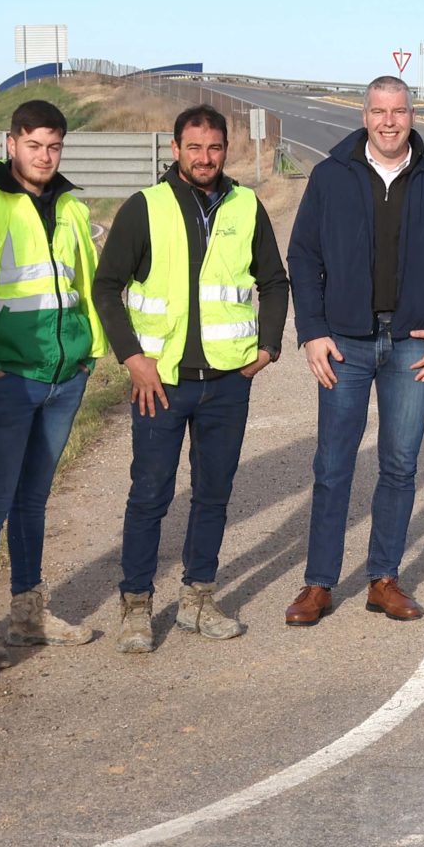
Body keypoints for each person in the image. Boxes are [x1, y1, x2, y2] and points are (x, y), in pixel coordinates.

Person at [93, 104, 291, 653]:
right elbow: (107, 287)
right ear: (175, 149)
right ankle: (136, 605)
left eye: (215, 148)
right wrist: (133, 358)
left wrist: (269, 346)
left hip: (228, 381)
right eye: (194, 147)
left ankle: (198, 598)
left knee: (214, 493)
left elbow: (275, 281)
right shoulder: (145, 208)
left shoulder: (246, 205)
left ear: (227, 150)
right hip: (160, 381)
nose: (205, 158)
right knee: (150, 493)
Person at [284, 76, 424, 625]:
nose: (388, 121)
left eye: (398, 111)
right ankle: (318, 584)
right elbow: (303, 256)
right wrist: (313, 329)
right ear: (364, 115)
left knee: (399, 464)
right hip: (344, 343)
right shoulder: (330, 176)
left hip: (411, 345)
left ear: (412, 116)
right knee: (333, 466)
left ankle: (384, 579)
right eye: (378, 111)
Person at [0, 97, 105, 666]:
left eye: (54, 146)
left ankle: (29, 614)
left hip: (64, 377)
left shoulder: (72, 208)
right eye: (33, 145)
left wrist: (87, 355)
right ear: (11, 144)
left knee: (32, 499)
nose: (44, 155)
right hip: (4, 378)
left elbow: (82, 285)